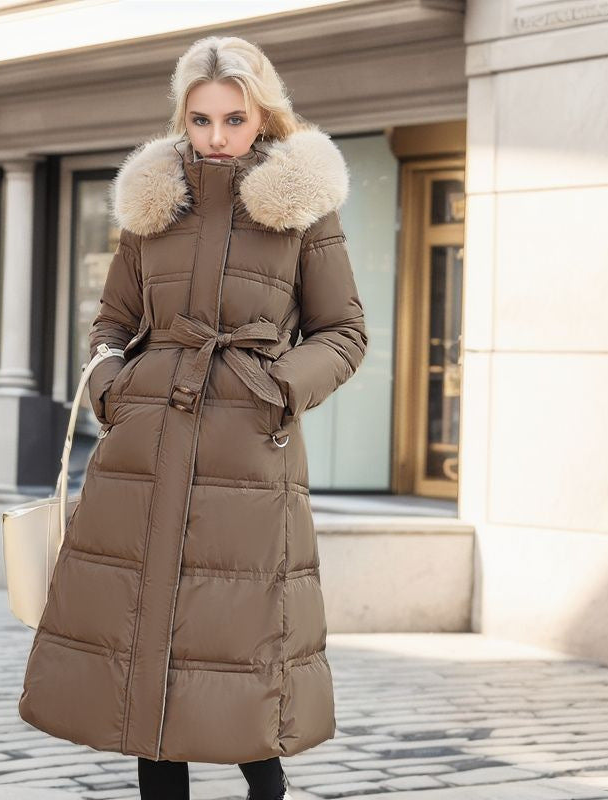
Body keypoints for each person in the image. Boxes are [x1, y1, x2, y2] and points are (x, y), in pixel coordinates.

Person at [18, 35, 368, 800]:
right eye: (201, 119)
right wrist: (114, 384)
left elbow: (344, 332)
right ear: (182, 115)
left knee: (242, 659)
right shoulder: (152, 199)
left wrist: (277, 390)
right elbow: (111, 318)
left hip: (247, 456)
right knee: (146, 657)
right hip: (146, 452)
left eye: (234, 119)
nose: (216, 137)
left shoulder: (304, 201)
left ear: (261, 115)